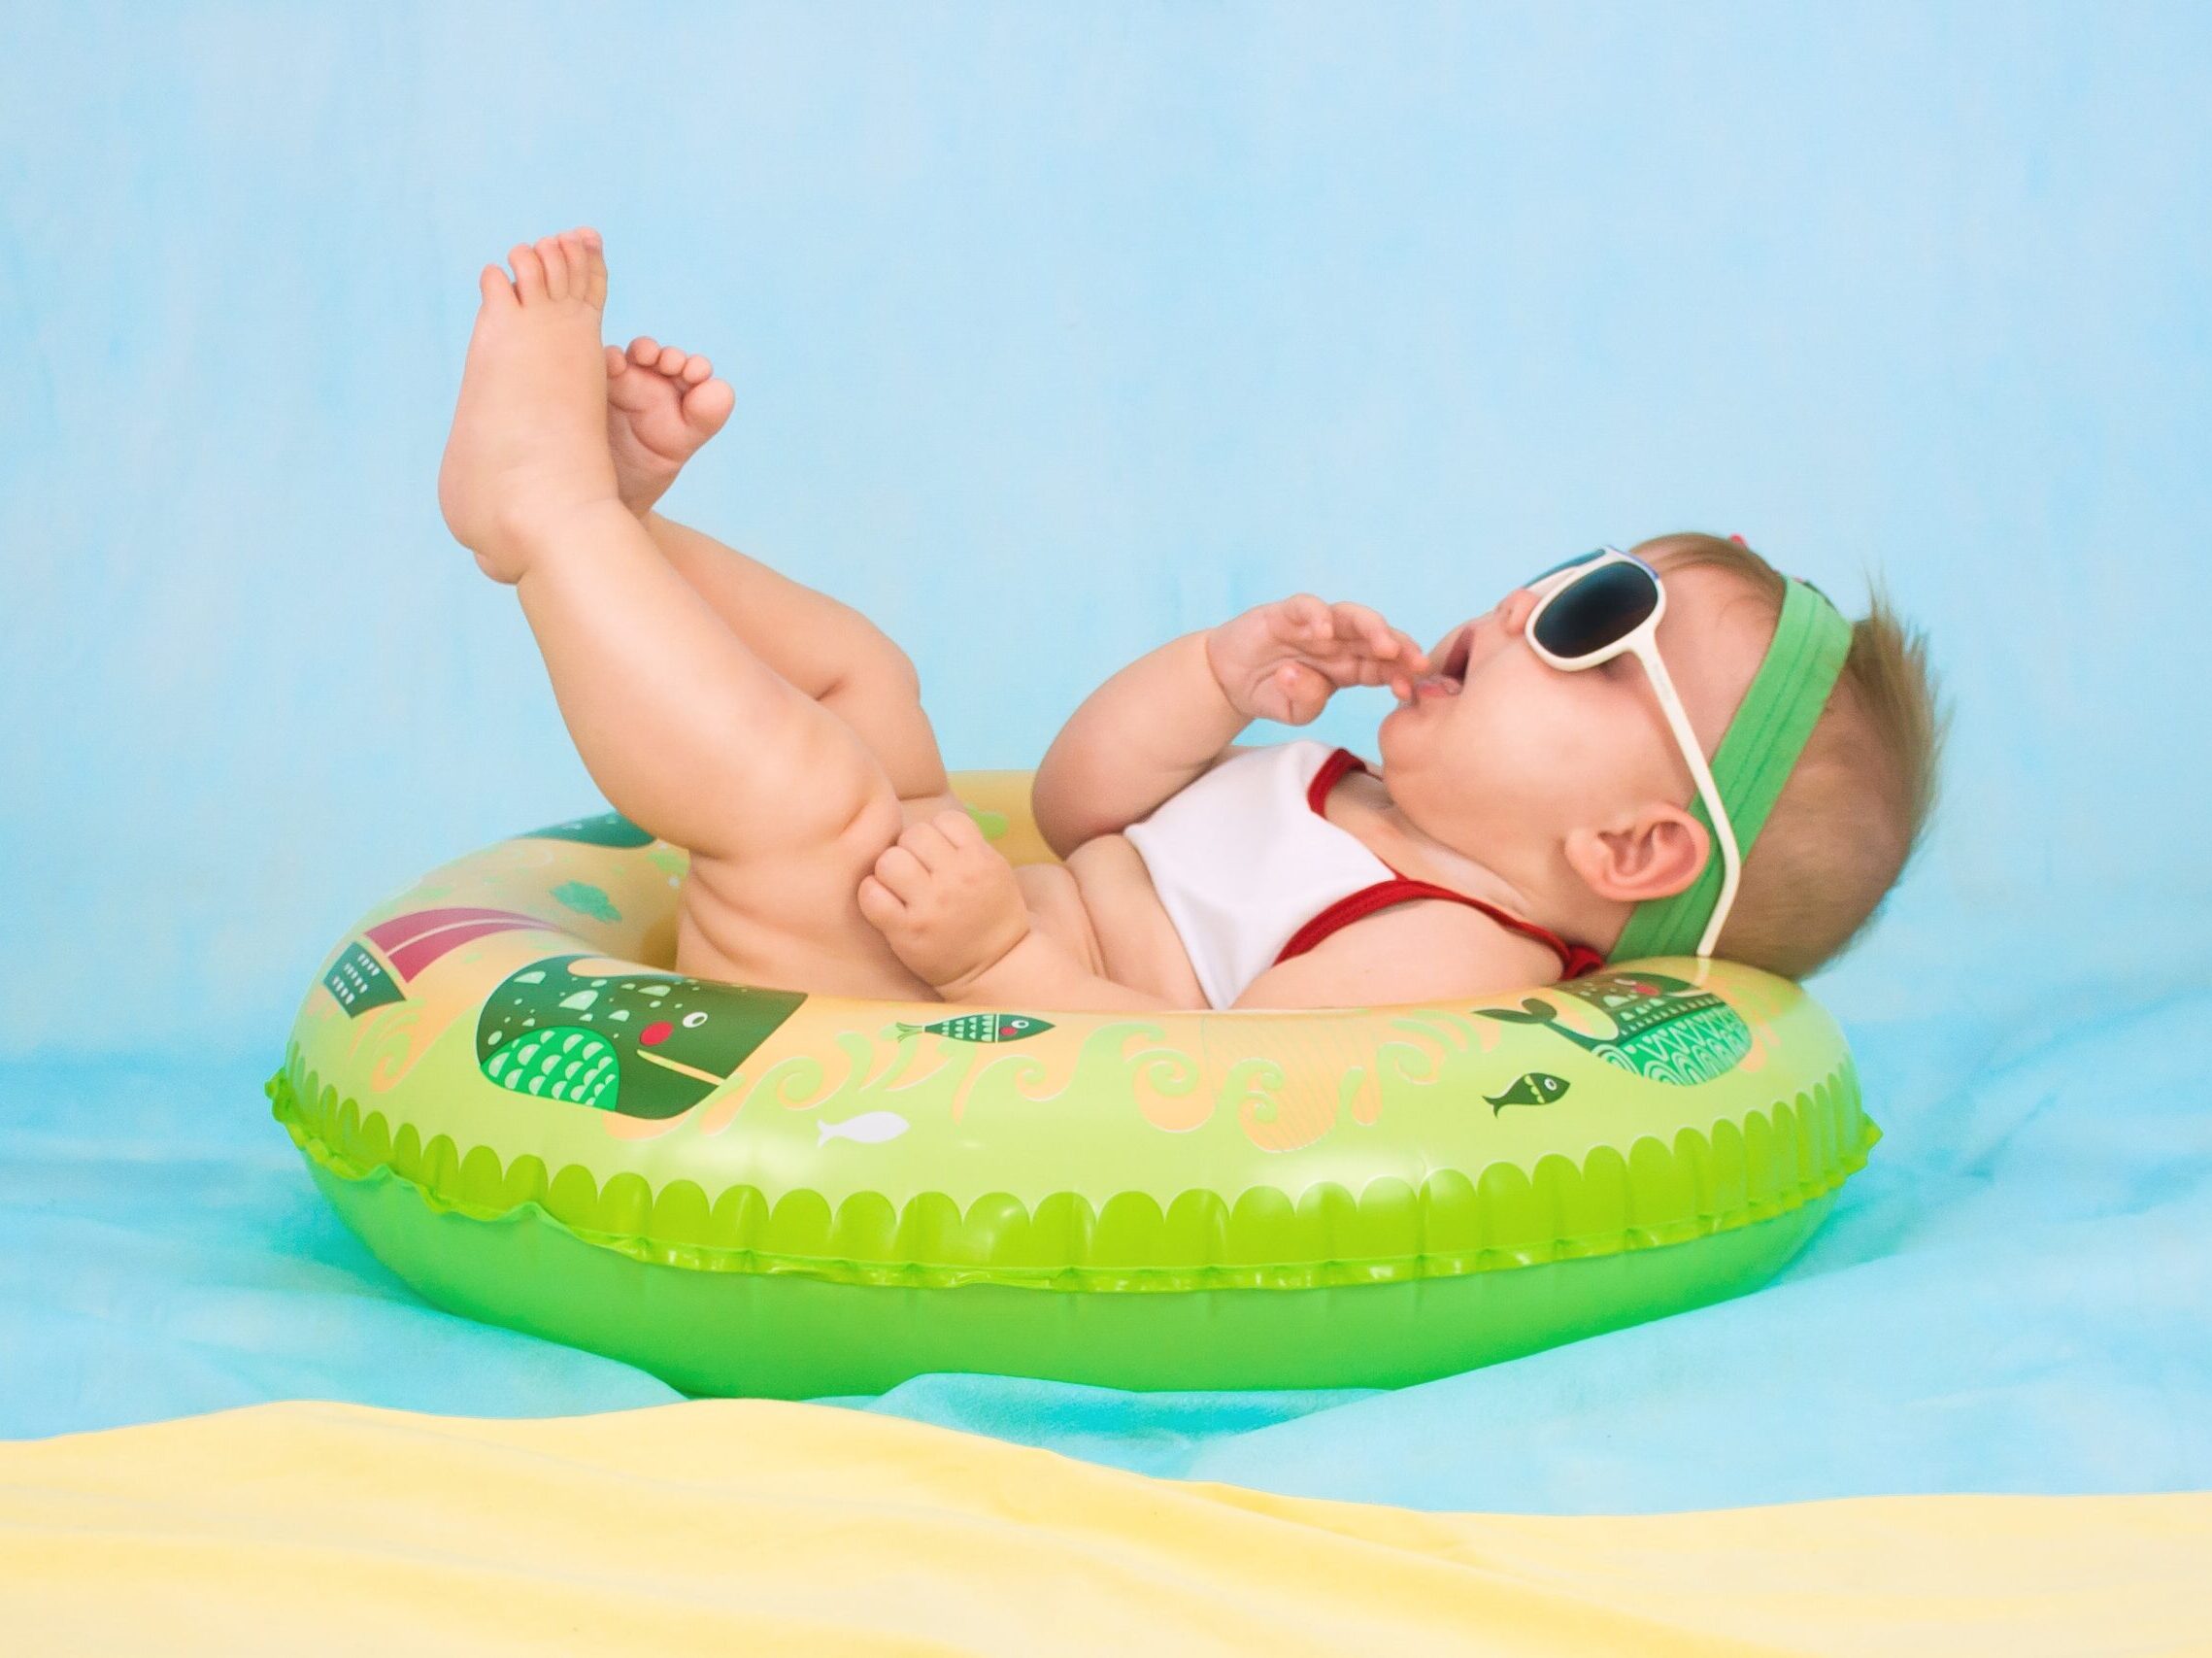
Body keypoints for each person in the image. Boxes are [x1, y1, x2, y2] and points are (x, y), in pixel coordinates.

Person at [438, 227, 1944, 1012]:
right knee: (866, 679)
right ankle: (625, 521)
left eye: (1590, 624)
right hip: (949, 921)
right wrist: (1217, 676)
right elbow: (1082, 804)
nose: (1525, 597)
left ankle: (545, 517)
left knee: (809, 796)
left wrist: (986, 967)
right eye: (1569, 566)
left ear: (1628, 850)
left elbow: (1201, 1089)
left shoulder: (1444, 953)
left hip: (899, 1003)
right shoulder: (1340, 793)